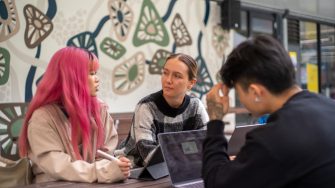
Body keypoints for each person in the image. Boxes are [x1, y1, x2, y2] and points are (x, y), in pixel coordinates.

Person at [202, 35, 335, 187]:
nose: (240, 99)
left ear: (255, 92)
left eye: (238, 92)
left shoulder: (273, 138)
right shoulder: (329, 106)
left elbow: (216, 182)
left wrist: (215, 120)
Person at [18, 47, 131, 183]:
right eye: (91, 73)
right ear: (71, 77)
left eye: (95, 73)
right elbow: (59, 167)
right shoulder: (41, 119)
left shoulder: (99, 110)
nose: (97, 79)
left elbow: (106, 153)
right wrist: (103, 171)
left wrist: (114, 166)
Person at [115, 53, 209, 167]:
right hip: (133, 168)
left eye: (177, 76)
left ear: (191, 83)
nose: (168, 80)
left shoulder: (196, 107)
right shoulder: (146, 107)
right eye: (165, 73)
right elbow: (149, 157)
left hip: (176, 168)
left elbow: (207, 145)